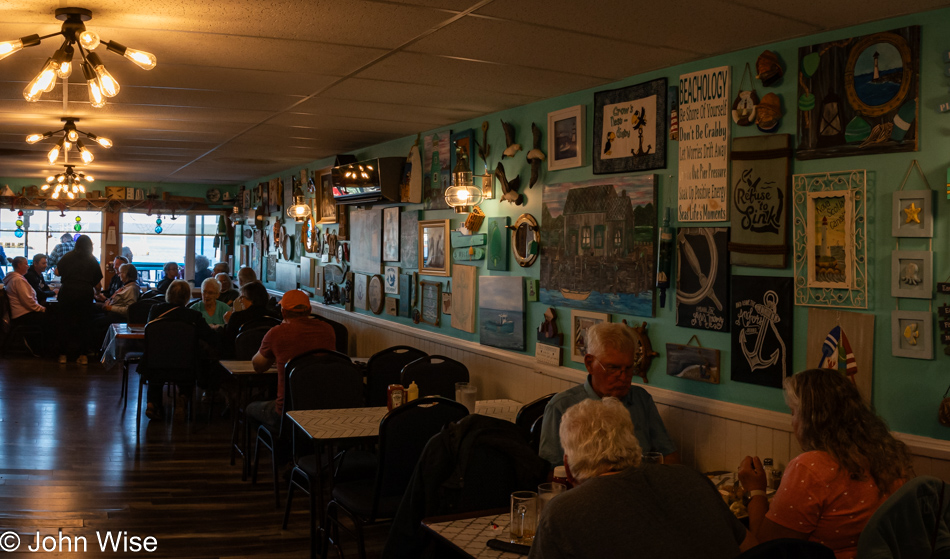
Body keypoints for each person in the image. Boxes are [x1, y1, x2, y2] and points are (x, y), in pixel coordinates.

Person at [528, 398, 753, 559]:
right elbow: (753, 548)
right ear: (633, 445)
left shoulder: (563, 512)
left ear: (567, 467)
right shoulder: (692, 478)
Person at [737, 369, 912, 558]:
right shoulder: (888, 454)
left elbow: (767, 549)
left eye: (793, 412)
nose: (791, 422)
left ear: (811, 419)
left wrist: (755, 491)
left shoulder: (809, 468)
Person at [539, 322, 679, 467]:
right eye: (613, 368)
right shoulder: (562, 406)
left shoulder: (640, 399)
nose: (623, 377)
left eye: (629, 368)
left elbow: (668, 455)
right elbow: (551, 472)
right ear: (589, 364)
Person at [247, 290, 333, 432]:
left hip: (287, 411)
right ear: (310, 310)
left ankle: (278, 446)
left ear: (283, 312)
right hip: (321, 411)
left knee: (250, 408)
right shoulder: (328, 330)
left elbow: (258, 366)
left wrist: (275, 354)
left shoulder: (277, 333)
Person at [142, 279, 216, 421]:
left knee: (156, 365)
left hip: (155, 364)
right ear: (187, 297)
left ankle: (152, 403)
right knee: (192, 360)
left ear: (168, 294)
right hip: (185, 366)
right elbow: (210, 337)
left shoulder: (155, 310)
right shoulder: (193, 316)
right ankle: (183, 398)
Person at [54, 234, 102, 365]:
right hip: (85, 294)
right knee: (84, 325)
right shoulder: (92, 260)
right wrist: (97, 293)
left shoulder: (68, 256)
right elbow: (98, 284)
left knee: (64, 324)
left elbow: (57, 272)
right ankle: (83, 356)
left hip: (67, 292)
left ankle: (63, 355)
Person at [220, 281, 278, 358]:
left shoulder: (237, 317)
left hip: (239, 359)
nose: (240, 300)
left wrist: (227, 323)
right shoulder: (275, 317)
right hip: (268, 358)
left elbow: (227, 343)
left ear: (251, 299)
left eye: (242, 297)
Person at [3, 256, 47, 354]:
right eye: (26, 264)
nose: (28, 266)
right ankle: (38, 347)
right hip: (23, 315)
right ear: (19, 265)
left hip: (19, 314)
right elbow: (28, 301)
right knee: (52, 317)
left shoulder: (14, 278)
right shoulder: (18, 280)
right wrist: (42, 309)